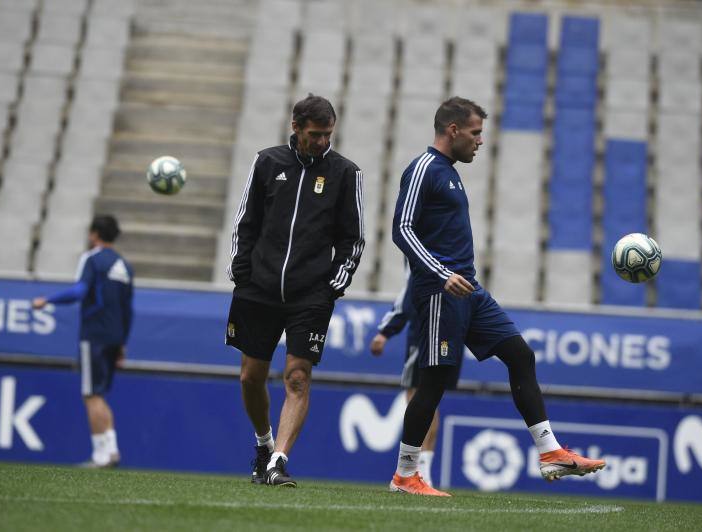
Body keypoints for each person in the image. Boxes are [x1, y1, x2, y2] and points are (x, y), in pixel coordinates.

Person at [388, 97, 605, 496]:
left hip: (469, 289)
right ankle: (405, 475)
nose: (480, 141)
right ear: (452, 130)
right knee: (432, 383)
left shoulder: (449, 173)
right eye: (475, 132)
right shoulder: (423, 169)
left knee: (520, 355)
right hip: (440, 291)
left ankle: (550, 452)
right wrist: (441, 273)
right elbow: (401, 229)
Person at [225, 94, 365, 487]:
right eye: (316, 135)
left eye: (328, 135)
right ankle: (264, 446)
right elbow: (245, 222)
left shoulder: (346, 174)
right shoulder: (267, 162)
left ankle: (278, 463)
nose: (323, 142)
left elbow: (353, 240)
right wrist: (242, 274)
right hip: (259, 289)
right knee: (251, 378)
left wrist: (333, 286)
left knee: (297, 377)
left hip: (311, 296)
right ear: (296, 128)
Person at [32, 214, 133, 468]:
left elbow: (79, 291)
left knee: (91, 395)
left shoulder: (91, 259)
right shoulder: (124, 266)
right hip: (114, 337)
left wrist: (48, 300)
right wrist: (122, 343)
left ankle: (101, 455)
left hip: (94, 336)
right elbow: (127, 309)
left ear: (94, 234)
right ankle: (111, 451)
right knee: (100, 394)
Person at [369, 265, 449, 487]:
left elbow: (407, 296)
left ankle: (417, 471)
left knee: (418, 397)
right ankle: (424, 469)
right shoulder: (450, 252)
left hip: (423, 333)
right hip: (445, 333)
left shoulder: (419, 250)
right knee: (431, 397)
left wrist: (385, 332)